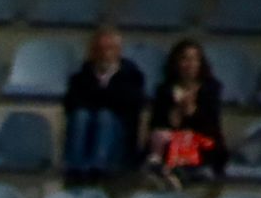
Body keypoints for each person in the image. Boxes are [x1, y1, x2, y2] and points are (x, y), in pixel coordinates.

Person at [62, 28, 147, 186]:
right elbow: (72, 104)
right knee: (81, 116)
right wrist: (105, 96)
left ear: (118, 52)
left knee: (105, 116)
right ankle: (76, 167)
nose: (104, 54)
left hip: (119, 141)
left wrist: (99, 97)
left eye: (109, 49)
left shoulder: (132, 76)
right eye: (99, 49)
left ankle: (99, 167)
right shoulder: (80, 77)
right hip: (87, 130)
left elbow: (129, 106)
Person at [143, 39, 227, 187]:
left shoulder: (211, 89)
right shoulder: (164, 91)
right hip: (170, 141)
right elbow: (155, 124)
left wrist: (192, 112)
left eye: (194, 59)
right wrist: (173, 115)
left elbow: (212, 127)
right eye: (184, 59)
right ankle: (162, 170)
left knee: (185, 139)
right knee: (161, 137)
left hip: (202, 143)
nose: (189, 64)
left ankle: (177, 173)